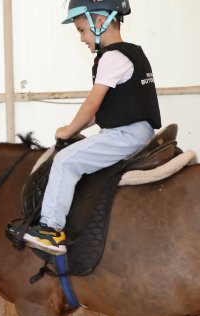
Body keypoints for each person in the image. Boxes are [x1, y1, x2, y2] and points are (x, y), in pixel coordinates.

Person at [23, 0, 161, 255]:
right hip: (134, 130)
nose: (81, 38)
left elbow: (91, 104)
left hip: (125, 134)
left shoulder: (112, 57)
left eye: (81, 30)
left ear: (100, 22)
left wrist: (67, 130)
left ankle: (50, 229)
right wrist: (76, 127)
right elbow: (99, 113)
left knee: (65, 161)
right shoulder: (133, 53)